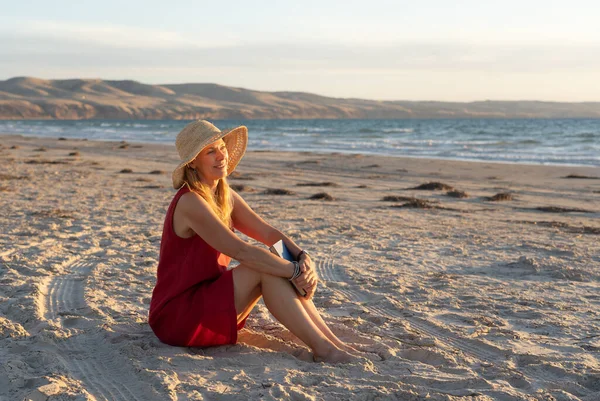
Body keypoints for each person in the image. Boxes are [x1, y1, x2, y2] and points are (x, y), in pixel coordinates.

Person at [149, 120, 358, 363]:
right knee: (263, 266)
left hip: (210, 298)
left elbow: (269, 235)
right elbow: (241, 251)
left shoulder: (224, 195)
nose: (221, 156)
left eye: (222, 147)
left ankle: (332, 343)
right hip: (178, 316)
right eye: (210, 151)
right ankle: (325, 350)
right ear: (193, 162)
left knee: (274, 260)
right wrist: (293, 271)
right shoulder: (190, 202)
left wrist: (303, 258)